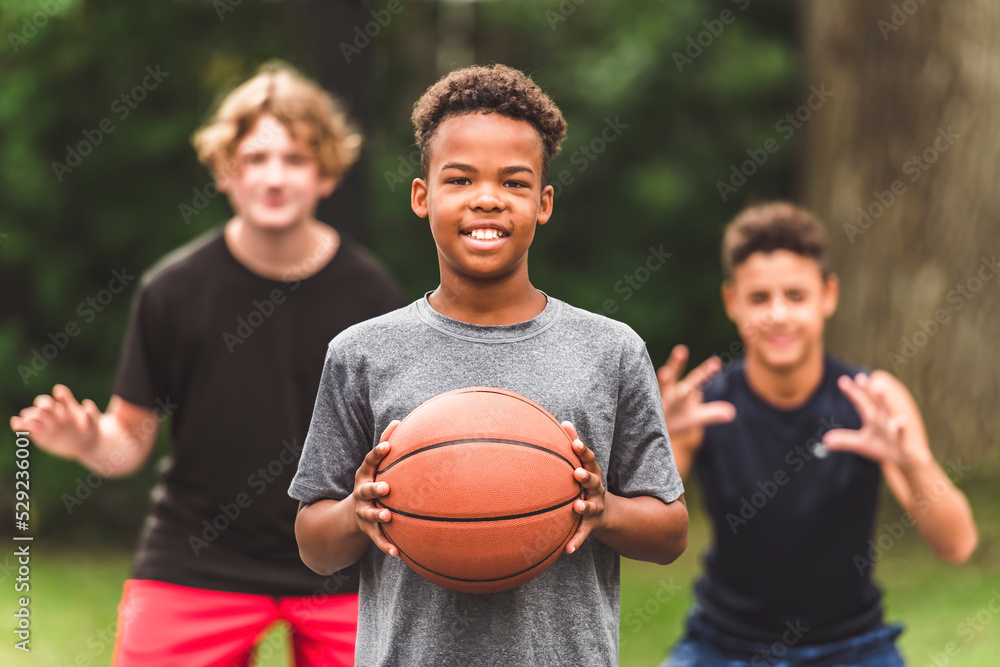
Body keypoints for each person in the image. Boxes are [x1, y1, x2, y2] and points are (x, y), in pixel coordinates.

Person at [289, 63, 689, 666]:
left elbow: (670, 533)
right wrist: (357, 510)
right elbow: (315, 545)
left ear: (544, 203)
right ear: (422, 195)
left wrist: (601, 510)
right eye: (460, 179)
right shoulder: (362, 352)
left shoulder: (610, 351)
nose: (486, 199)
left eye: (515, 182)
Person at [10, 62, 405, 666]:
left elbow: (400, 449)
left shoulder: (370, 296)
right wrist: (87, 439)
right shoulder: (172, 289)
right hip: (196, 558)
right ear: (225, 171)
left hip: (343, 559)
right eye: (254, 159)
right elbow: (127, 446)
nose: (274, 178)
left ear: (326, 174)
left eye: (295, 159)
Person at [657, 201, 978, 666]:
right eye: (760, 298)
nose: (779, 313)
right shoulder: (702, 409)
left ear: (828, 295)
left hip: (855, 646)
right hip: (722, 646)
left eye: (796, 295)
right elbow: (647, 544)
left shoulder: (874, 400)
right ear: (732, 302)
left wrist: (913, 459)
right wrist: (657, 441)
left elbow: (958, 545)